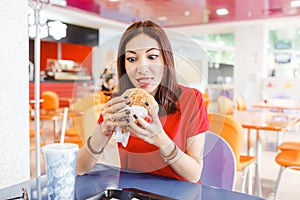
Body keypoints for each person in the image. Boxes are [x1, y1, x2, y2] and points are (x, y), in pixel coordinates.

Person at [76, 20, 209, 183]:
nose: (142, 68)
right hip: (132, 192)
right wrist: (103, 129)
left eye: (152, 56)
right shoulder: (119, 101)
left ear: (165, 59)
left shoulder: (191, 99)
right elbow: (80, 168)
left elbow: (194, 174)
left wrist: (160, 139)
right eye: (132, 59)